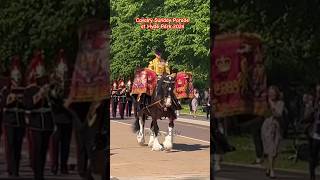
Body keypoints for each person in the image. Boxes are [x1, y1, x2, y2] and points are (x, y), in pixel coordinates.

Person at [24, 49, 54, 180]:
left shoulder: (48, 88)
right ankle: (38, 174)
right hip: (36, 123)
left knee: (43, 150)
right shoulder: (30, 89)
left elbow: (54, 105)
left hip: (47, 123)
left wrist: (51, 94)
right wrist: (40, 93)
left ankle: (40, 172)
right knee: (37, 150)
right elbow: (29, 105)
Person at [49, 49, 73, 175]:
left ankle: (63, 166)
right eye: (61, 70)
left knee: (66, 144)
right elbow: (51, 99)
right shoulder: (53, 84)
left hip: (67, 117)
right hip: (56, 117)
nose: (63, 73)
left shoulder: (70, 84)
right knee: (55, 143)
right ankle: (54, 165)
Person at [2, 55, 25, 177]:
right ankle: (11, 168)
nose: (17, 80)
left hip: (20, 121)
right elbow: (3, 105)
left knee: (18, 145)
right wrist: (9, 100)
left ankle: (16, 169)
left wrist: (22, 100)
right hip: (9, 121)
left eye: (18, 77)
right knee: (10, 145)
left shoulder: (23, 90)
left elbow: (27, 105)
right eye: (15, 77)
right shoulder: (6, 90)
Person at [261, 86, 283, 179]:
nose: (272, 94)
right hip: (267, 127)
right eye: (270, 93)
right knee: (270, 149)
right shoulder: (265, 104)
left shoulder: (280, 103)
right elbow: (264, 114)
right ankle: (272, 170)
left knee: (275, 150)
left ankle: (268, 168)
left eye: (273, 92)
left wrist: (272, 105)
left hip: (276, 127)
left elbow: (279, 114)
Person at [303, 84, 320, 180]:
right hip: (313, 133)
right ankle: (312, 176)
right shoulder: (312, 103)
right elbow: (305, 117)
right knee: (313, 156)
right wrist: (312, 108)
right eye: (318, 91)